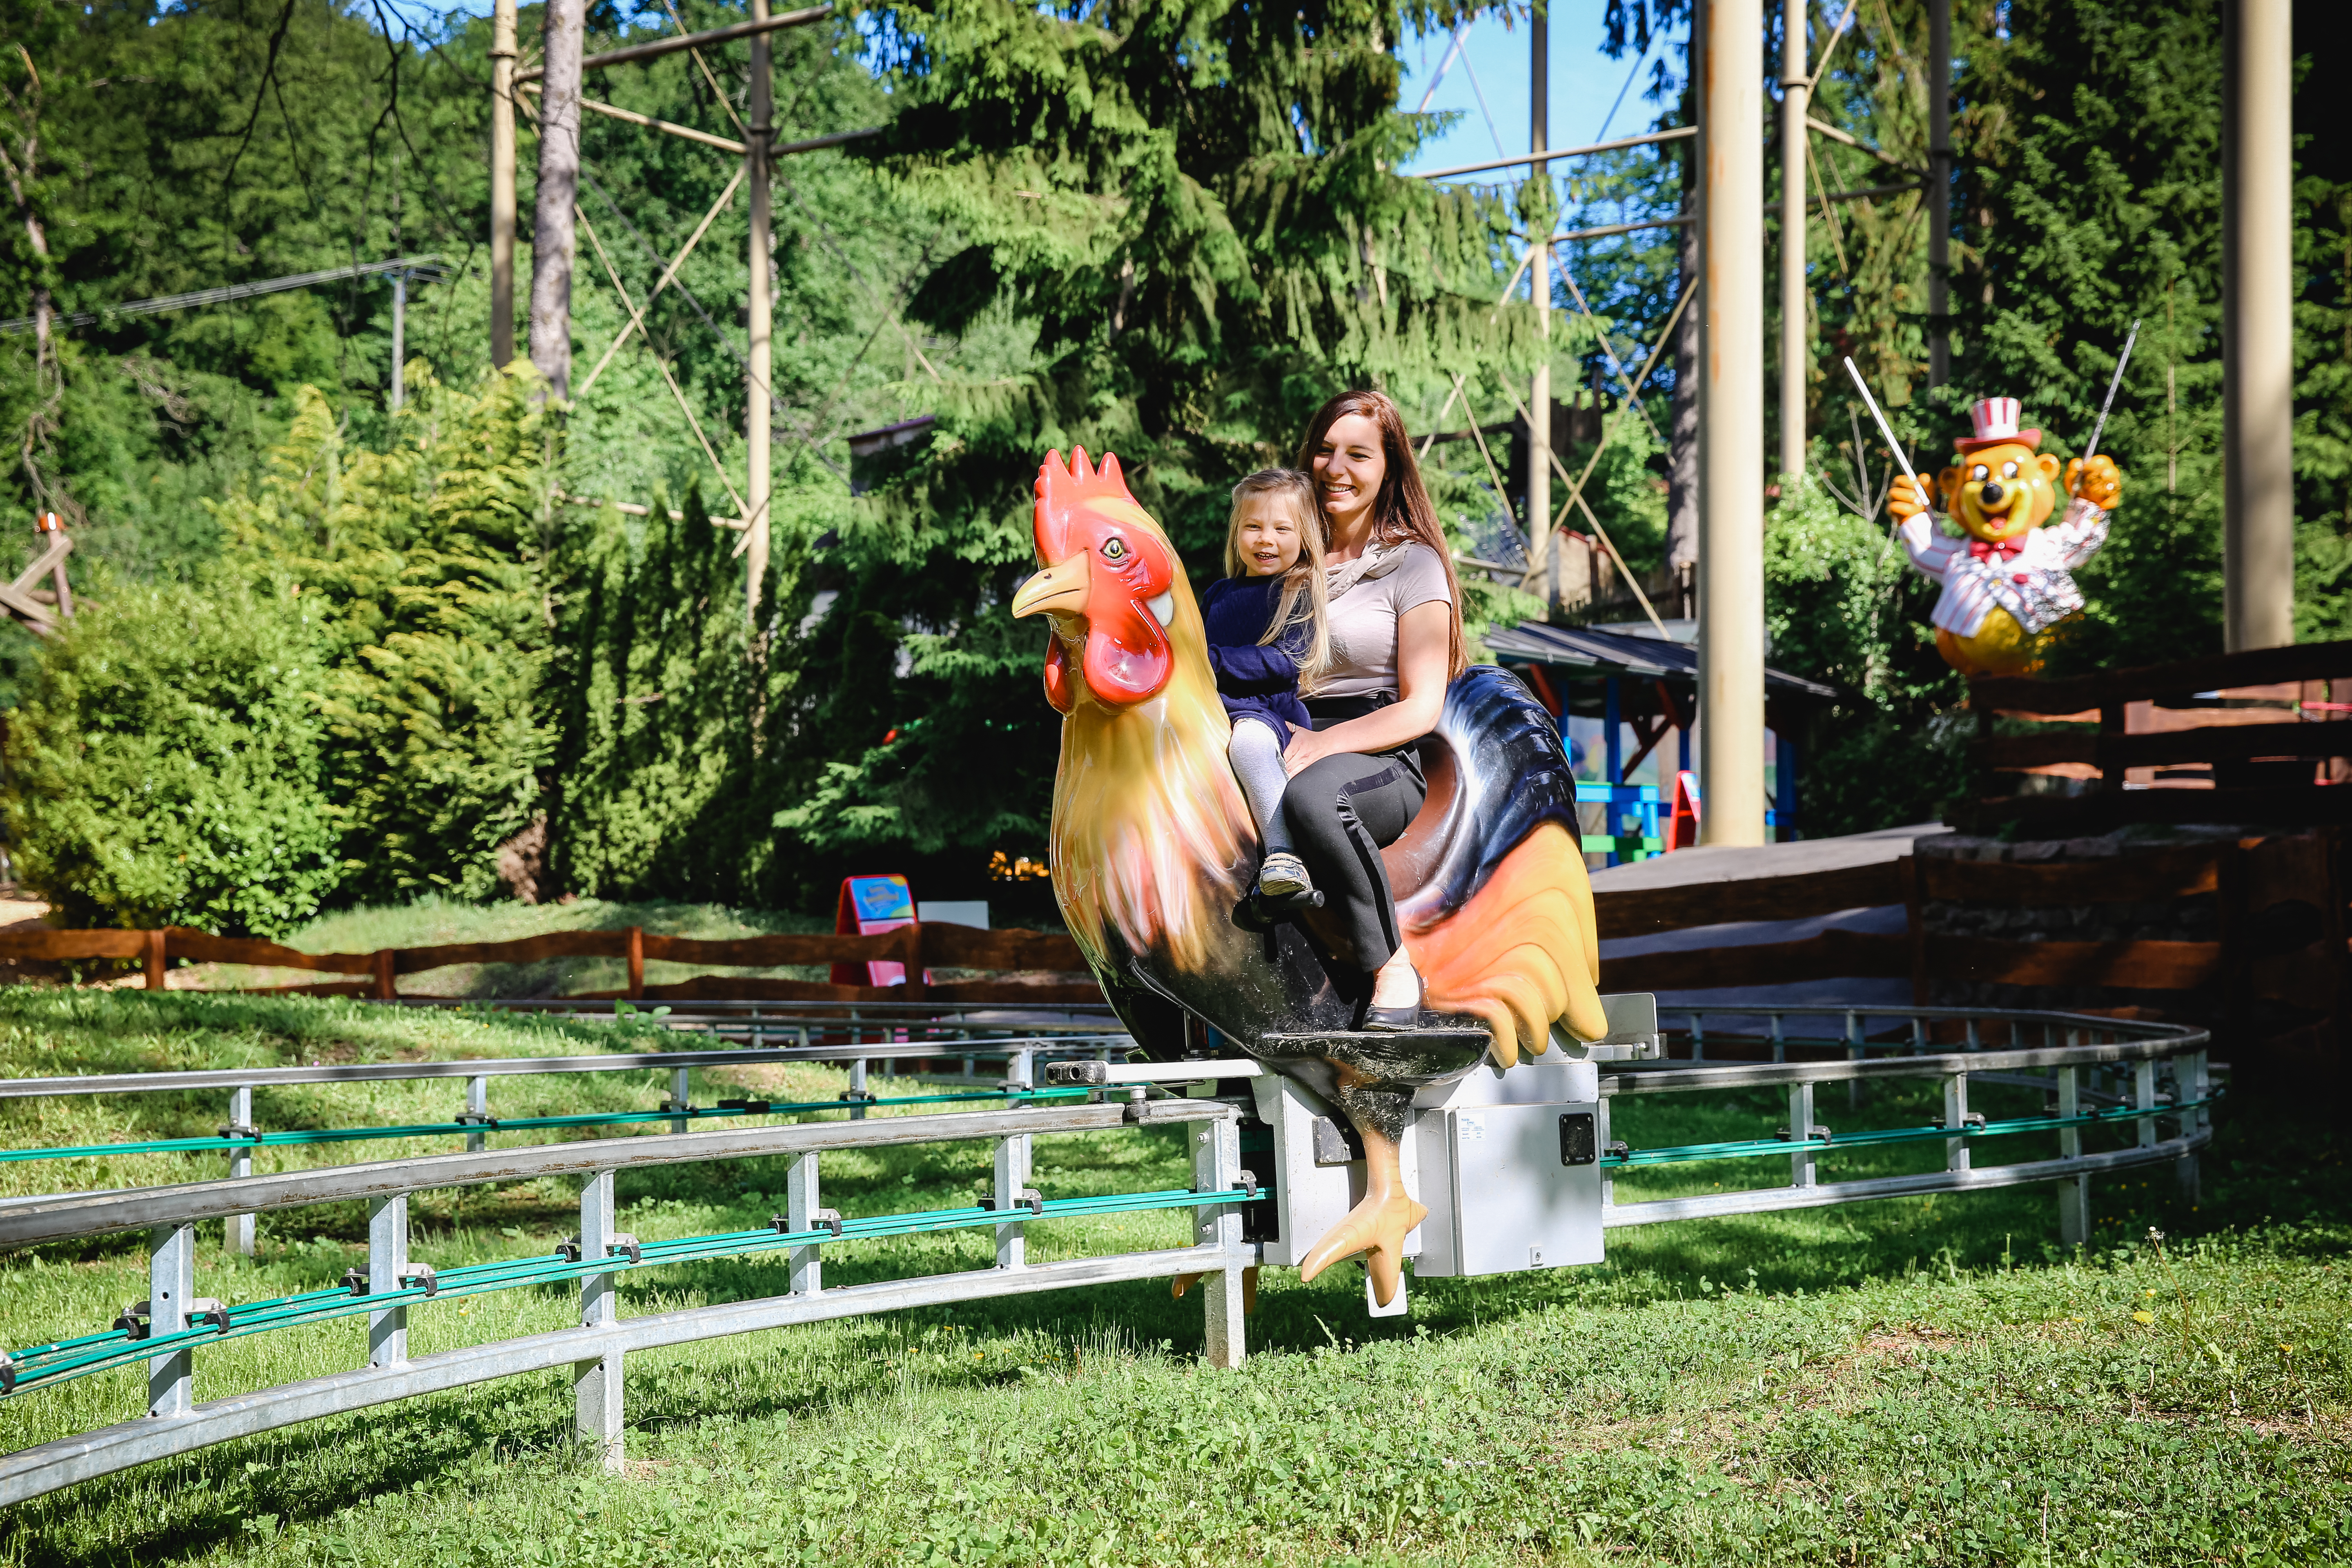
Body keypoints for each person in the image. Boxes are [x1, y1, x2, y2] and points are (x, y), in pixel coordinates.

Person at [1278, 389, 1466, 1030]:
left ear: (1390, 468)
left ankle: (1391, 966)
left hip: (1378, 751)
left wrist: (1326, 746)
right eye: (1325, 451)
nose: (1336, 468)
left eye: (1358, 454)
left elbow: (1422, 706)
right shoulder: (1285, 561)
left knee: (1309, 798)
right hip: (1282, 733)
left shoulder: (1414, 565)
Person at [1200, 470, 1332, 904]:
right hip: (1213, 710)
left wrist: (1212, 662)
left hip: (1267, 714)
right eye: (1253, 527)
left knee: (1248, 747)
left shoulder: (1299, 589)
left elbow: (1284, 663)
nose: (1265, 539)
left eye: (1281, 528)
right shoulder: (1218, 593)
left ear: (1304, 535)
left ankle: (1284, 854)